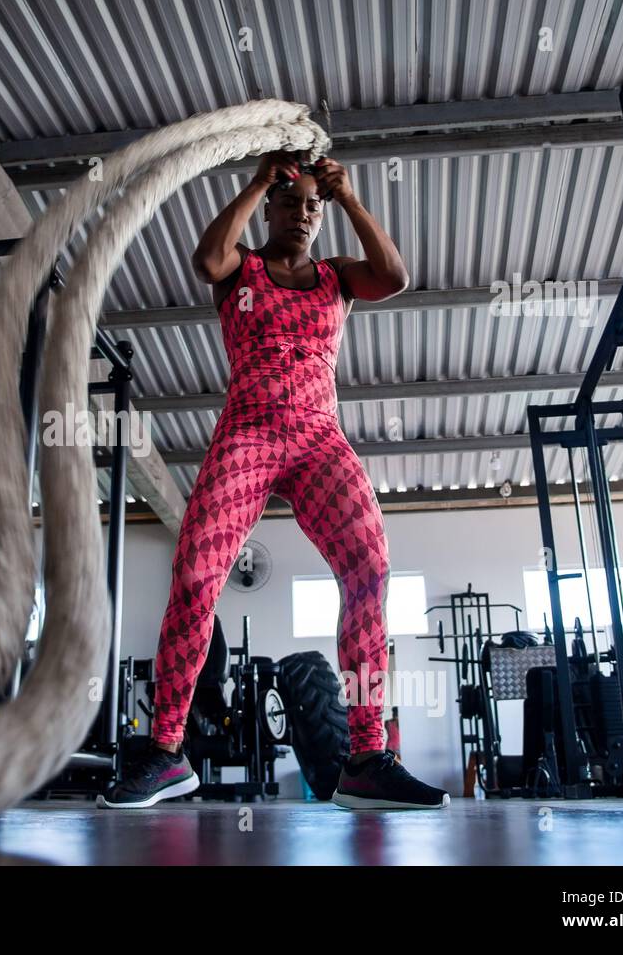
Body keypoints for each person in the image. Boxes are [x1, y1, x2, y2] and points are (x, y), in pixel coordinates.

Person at [98, 150, 448, 810]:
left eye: (314, 206)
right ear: (272, 206)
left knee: (370, 568)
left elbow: (394, 277)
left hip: (318, 438)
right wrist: (259, 178)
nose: (304, 214)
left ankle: (366, 756)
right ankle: (168, 751)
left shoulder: (337, 275)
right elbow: (206, 259)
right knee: (197, 570)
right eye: (293, 203)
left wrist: (349, 198)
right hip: (249, 432)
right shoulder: (243, 270)